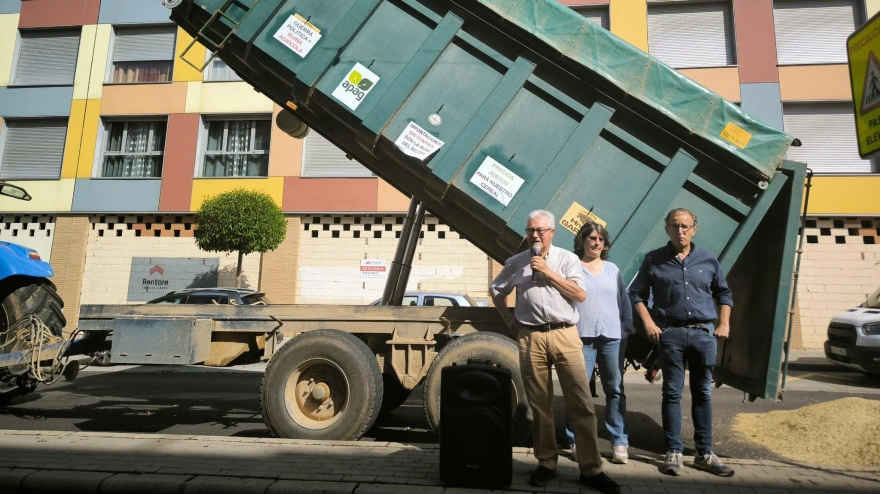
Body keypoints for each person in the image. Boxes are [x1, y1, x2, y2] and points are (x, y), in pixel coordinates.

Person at [490, 210, 620, 494]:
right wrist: (509, 320)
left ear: (551, 232)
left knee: (581, 403)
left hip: (565, 335)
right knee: (540, 404)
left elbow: (580, 294)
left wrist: (549, 272)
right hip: (531, 338)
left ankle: (591, 469)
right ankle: (546, 463)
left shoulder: (567, 259)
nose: (535, 236)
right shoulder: (516, 262)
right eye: (530, 231)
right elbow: (496, 290)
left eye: (540, 231)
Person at [628, 208, 735, 477]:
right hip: (671, 335)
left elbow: (724, 293)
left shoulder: (708, 260)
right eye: (675, 226)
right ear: (667, 229)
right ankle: (673, 452)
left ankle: (704, 453)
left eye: (685, 226)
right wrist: (649, 323)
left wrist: (724, 323)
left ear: (694, 229)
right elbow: (636, 294)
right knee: (672, 393)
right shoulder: (654, 259)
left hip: (703, 335)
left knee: (702, 393)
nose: (680, 230)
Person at [564, 222, 633, 465]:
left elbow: (623, 300)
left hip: (612, 338)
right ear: (582, 241)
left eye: (601, 239)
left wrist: (625, 327)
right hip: (581, 337)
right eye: (592, 238)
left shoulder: (612, 269)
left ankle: (619, 441)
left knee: (614, 389)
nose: (597, 243)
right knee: (579, 391)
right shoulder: (572, 267)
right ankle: (576, 440)